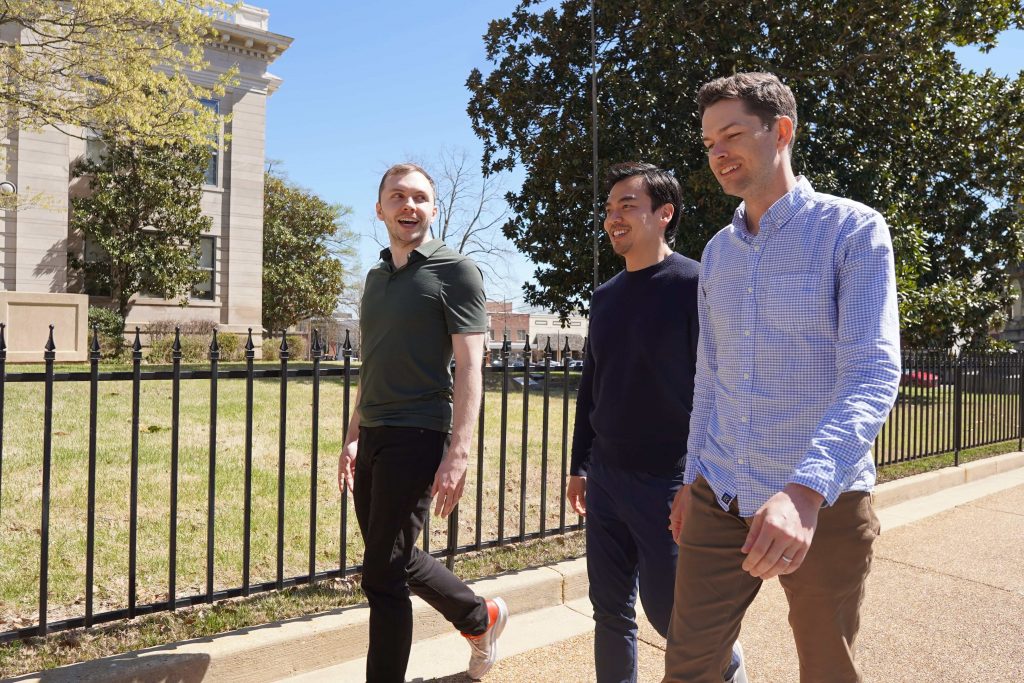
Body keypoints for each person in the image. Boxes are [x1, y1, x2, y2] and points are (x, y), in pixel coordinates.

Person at [662, 72, 901, 683]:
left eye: (733, 134)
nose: (718, 153)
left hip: (823, 499)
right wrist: (692, 479)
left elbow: (873, 372)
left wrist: (805, 491)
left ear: (782, 132)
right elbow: (709, 379)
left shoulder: (853, 230)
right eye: (709, 141)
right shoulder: (717, 251)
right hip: (722, 491)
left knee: (826, 668)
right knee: (688, 667)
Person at [569, 162, 739, 683]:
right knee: (610, 612)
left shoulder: (694, 284)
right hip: (607, 480)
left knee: (672, 616)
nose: (613, 217)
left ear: (664, 214)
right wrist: (581, 463)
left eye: (628, 205)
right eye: (609, 208)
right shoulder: (605, 296)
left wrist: (697, 476)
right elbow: (592, 384)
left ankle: (726, 670)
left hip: (668, 480)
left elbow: (719, 384)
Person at [337, 163, 507, 683]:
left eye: (419, 198)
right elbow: (375, 361)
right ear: (380, 208)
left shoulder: (456, 271)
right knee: (393, 556)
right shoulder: (376, 277)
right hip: (376, 433)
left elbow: (471, 365)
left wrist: (459, 451)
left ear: (433, 209)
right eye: (397, 196)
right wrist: (351, 434)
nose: (408, 206)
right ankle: (481, 617)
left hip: (419, 431)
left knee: (382, 577)